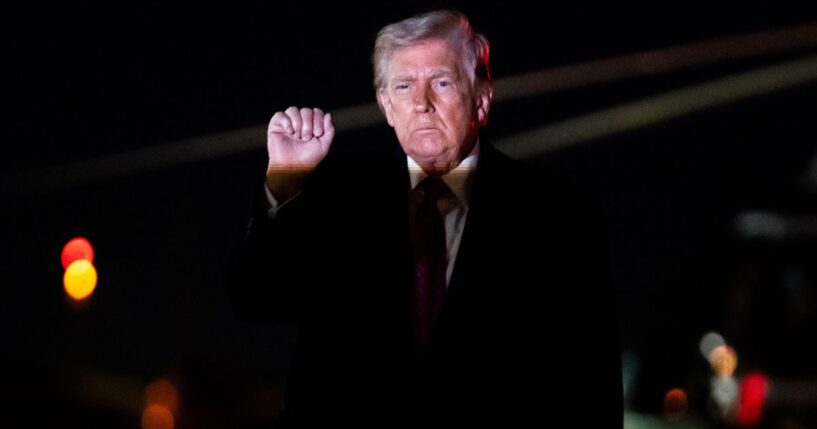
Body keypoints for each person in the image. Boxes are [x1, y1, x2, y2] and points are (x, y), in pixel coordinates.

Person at [230, 9, 622, 428]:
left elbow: (590, 380)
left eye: (441, 82)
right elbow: (257, 300)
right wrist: (285, 181)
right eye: (403, 85)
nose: (421, 103)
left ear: (482, 99)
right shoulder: (336, 197)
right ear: (386, 106)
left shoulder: (559, 215)